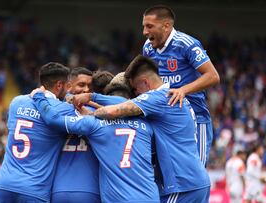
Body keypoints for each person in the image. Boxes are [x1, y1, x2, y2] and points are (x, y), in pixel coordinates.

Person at [85, 55, 210, 202]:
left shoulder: (157, 98)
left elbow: (114, 111)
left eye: (136, 89)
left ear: (145, 83)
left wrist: (91, 109)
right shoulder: (173, 97)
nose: (136, 94)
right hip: (195, 179)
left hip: (182, 184)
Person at [30, 85, 160, 203]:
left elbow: (54, 120)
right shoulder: (148, 126)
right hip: (150, 196)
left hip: (118, 198)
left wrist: (38, 96)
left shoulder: (95, 124)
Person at [142, 5, 220, 166]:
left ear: (166, 26)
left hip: (195, 120)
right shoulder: (148, 48)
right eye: (143, 26)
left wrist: (183, 90)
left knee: (196, 172)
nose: (144, 32)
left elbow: (213, 76)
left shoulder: (186, 44)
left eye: (149, 26)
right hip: (165, 120)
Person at [0, 62, 73, 203]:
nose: (68, 90)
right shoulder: (64, 109)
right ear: (59, 85)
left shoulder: (17, 102)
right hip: (34, 189)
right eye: (67, 86)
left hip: (4, 185)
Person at [51, 67, 100, 203]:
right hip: (90, 190)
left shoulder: (54, 111)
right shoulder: (99, 113)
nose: (86, 90)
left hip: (58, 190)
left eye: (90, 86)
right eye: (81, 84)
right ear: (68, 86)